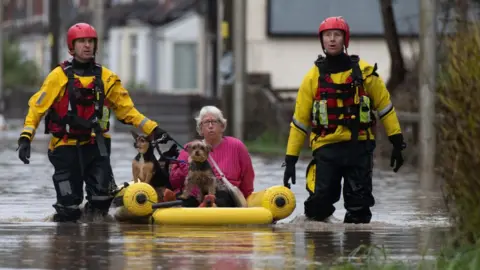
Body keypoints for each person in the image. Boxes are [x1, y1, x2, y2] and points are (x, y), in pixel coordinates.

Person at [16, 22, 171, 222]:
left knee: (101, 201)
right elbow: (37, 108)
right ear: (72, 46)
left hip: (96, 146)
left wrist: (153, 129)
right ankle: (67, 240)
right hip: (65, 147)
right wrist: (25, 138)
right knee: (68, 209)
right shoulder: (58, 77)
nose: (87, 45)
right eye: (81, 42)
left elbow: (127, 110)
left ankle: (94, 238)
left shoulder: (107, 78)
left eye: (90, 41)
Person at [282, 16, 406, 224]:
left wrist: (397, 141)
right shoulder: (312, 78)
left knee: (359, 207)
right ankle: (322, 252)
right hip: (326, 148)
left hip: (359, 147)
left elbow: (386, 108)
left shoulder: (366, 73)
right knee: (319, 205)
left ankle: (356, 252)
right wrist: (290, 159)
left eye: (336, 35)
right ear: (321, 40)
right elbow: (300, 122)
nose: (332, 40)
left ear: (344, 39)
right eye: (327, 35)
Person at [169, 105, 255, 207]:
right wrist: (188, 165)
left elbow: (248, 178)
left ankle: (209, 203)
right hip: (195, 196)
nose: (210, 126)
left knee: (222, 196)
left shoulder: (236, 146)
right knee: (186, 200)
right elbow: (174, 181)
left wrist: (246, 199)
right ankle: (204, 204)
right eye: (206, 122)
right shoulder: (189, 148)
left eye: (214, 122)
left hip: (224, 194)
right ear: (200, 128)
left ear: (222, 126)